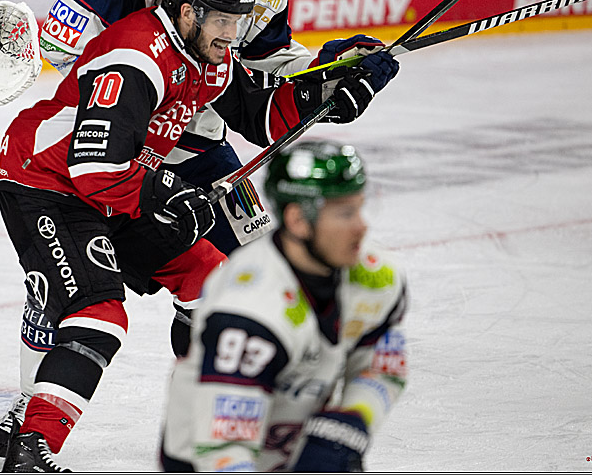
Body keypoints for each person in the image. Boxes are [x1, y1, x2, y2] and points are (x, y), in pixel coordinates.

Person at [0, 0, 394, 470]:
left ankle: (206, 419)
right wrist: (135, 84)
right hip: (97, 154)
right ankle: (29, 422)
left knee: (232, 282)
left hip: (177, 147)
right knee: (85, 299)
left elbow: (257, 91)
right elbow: (65, 42)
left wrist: (329, 80)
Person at [159, 140, 409, 472]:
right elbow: (222, 450)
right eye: (344, 213)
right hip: (203, 458)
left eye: (359, 208)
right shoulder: (247, 310)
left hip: (288, 439)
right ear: (297, 220)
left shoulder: (375, 278)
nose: (361, 226)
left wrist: (350, 421)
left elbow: (380, 365)